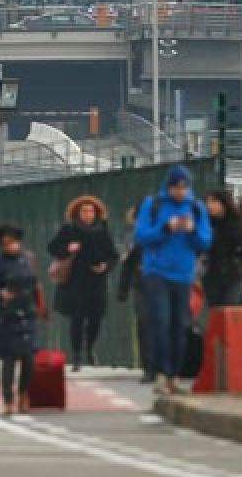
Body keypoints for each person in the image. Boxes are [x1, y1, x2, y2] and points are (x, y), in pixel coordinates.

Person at [135, 165, 212, 395]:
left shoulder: (196, 208)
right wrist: (165, 228)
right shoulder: (154, 205)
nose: (179, 191)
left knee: (181, 325)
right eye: (175, 186)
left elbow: (205, 241)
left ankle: (174, 375)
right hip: (157, 272)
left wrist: (191, 230)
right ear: (168, 186)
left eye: (183, 186)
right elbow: (142, 236)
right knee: (161, 321)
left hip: (184, 273)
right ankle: (161, 372)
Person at [48, 196, 119, 371]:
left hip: (97, 281)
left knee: (96, 318)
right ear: (77, 213)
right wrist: (68, 248)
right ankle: (77, 355)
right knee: (77, 318)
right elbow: (52, 248)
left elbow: (113, 255)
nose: (88, 214)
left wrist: (105, 266)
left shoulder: (102, 231)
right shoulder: (69, 230)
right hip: (76, 280)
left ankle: (90, 347)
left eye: (91, 211)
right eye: (84, 211)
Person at [0, 224, 40, 416]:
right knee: (8, 360)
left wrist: (40, 307)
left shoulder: (28, 260)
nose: (11, 246)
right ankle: (8, 398)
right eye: (6, 243)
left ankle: (24, 393)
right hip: (6, 316)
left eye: (14, 242)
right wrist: (2, 294)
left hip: (27, 313)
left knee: (29, 359)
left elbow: (35, 285)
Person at [117, 204, 154, 384]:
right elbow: (129, 264)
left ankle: (164, 367)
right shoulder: (137, 239)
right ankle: (149, 367)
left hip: (167, 285)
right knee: (145, 323)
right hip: (141, 285)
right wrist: (123, 289)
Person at [203, 190, 242, 308]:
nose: (209, 205)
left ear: (224, 203)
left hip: (234, 275)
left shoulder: (237, 224)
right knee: (212, 311)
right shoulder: (205, 224)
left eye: (214, 201)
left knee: (229, 309)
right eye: (207, 202)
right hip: (211, 274)